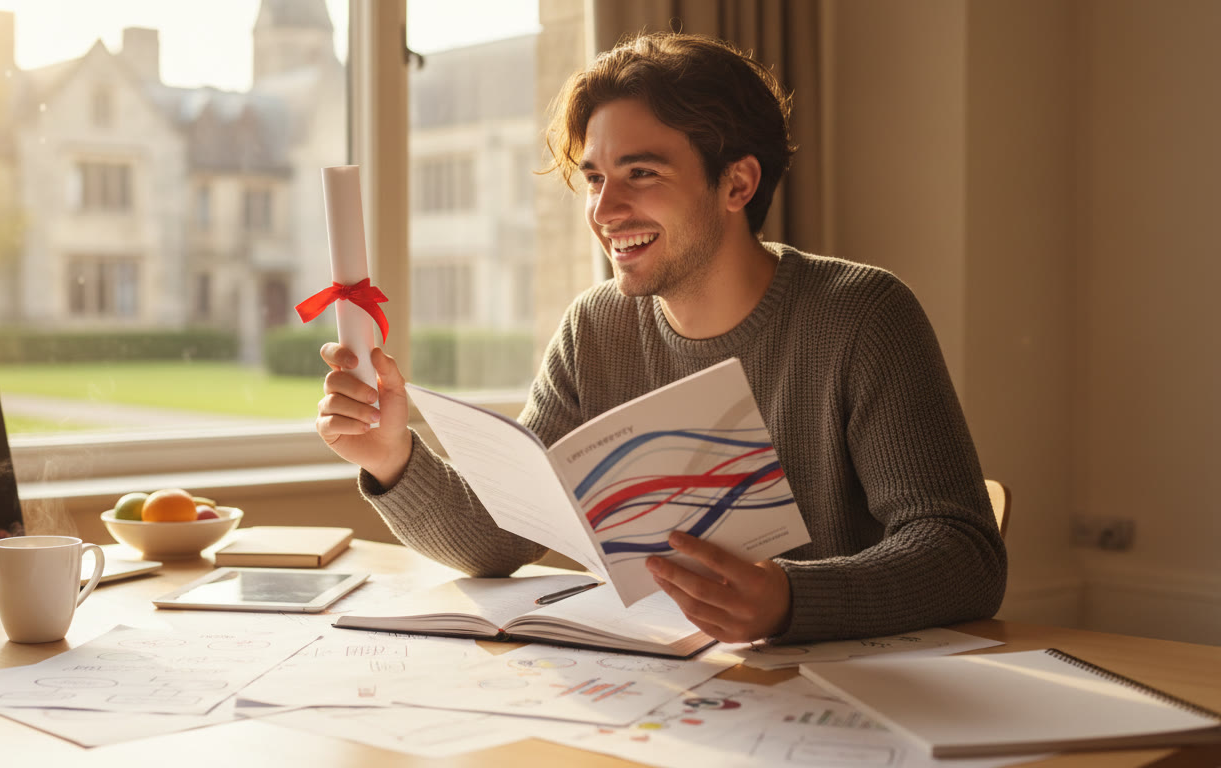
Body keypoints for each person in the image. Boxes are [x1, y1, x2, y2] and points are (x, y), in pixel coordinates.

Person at [315, 32, 1006, 644]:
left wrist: (792, 600)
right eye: (593, 178)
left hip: (845, 699)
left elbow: (964, 554)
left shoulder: (862, 316)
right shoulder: (595, 328)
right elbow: (500, 537)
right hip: (676, 691)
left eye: (640, 174)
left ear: (737, 182)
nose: (606, 210)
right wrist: (392, 456)